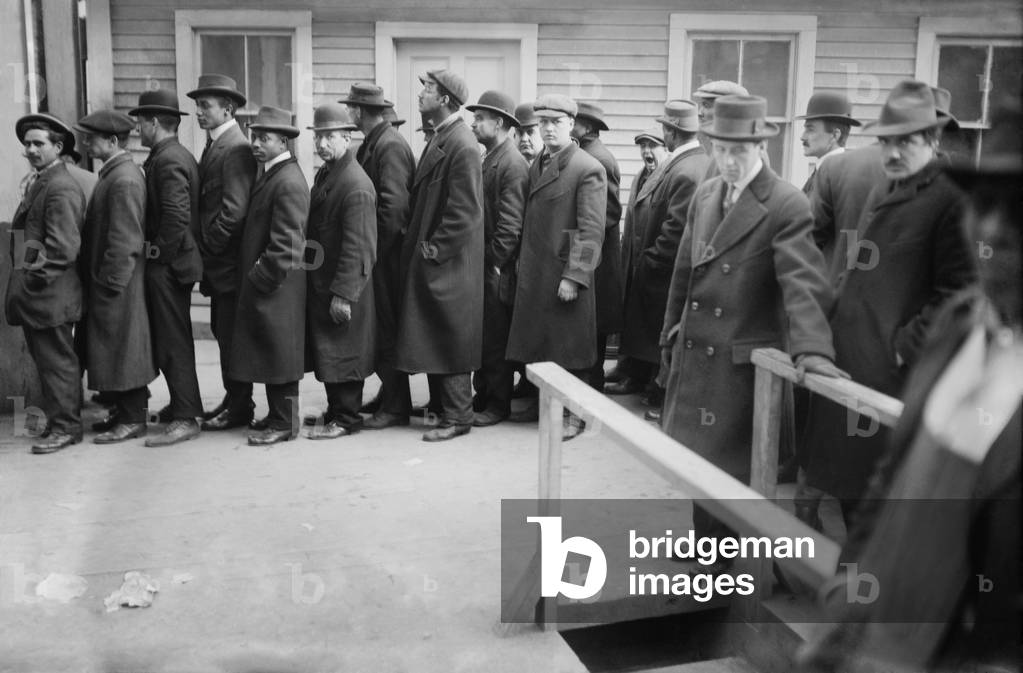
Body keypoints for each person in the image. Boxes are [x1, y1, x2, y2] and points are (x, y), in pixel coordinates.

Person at [798, 104, 1021, 673]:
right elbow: (891, 478)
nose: (995, 230)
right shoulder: (957, 326)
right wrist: (844, 608)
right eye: (986, 205)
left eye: (1019, 212)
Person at [658, 95, 843, 543]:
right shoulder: (706, 194)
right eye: (721, 149)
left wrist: (813, 351)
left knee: (733, 473)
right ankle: (706, 550)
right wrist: (669, 332)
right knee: (699, 465)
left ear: (761, 147)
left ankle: (723, 564)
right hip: (696, 349)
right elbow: (685, 272)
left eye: (739, 150)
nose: (729, 160)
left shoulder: (785, 204)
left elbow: (803, 285)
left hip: (739, 365)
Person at [800, 81, 979, 521]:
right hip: (852, 373)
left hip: (893, 386)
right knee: (847, 495)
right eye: (886, 141)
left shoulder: (952, 198)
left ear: (933, 140)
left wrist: (902, 349)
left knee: (877, 510)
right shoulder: (895, 187)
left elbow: (962, 294)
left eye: (906, 141)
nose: (893, 152)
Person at [505, 94, 606, 440]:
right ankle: (542, 402)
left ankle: (575, 415)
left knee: (570, 350)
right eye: (543, 122)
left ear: (571, 125)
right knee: (540, 344)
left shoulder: (587, 168)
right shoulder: (539, 163)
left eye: (556, 123)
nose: (548, 129)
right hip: (537, 272)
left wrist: (575, 277)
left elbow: (592, 232)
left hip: (563, 274)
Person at [395, 69, 484, 442]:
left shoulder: (461, 143)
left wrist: (433, 251)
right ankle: (441, 408)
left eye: (428, 89)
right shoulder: (442, 138)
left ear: (445, 99)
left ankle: (458, 416)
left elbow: (464, 212)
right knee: (434, 333)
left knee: (450, 336)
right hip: (437, 262)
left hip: (449, 264)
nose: (421, 95)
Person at [614, 101, 708, 423]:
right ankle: (655, 388)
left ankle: (666, 398)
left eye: (662, 131)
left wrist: (650, 262)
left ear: (670, 131)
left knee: (669, 339)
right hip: (662, 273)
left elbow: (676, 231)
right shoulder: (683, 164)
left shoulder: (687, 169)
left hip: (667, 275)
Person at [228, 106, 309, 446]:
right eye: (255, 137)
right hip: (271, 282)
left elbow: (289, 244)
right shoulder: (273, 174)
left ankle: (286, 423)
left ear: (284, 142)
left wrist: (260, 277)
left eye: (264, 138)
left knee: (282, 356)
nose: (256, 144)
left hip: (277, 284)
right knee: (272, 353)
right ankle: (278, 416)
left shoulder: (288, 180)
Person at [74, 110, 156, 444]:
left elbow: (126, 240)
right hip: (113, 281)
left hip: (117, 283)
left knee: (124, 350)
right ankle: (125, 412)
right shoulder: (116, 174)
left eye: (92, 138)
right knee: (117, 349)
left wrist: (109, 283)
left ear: (112, 141)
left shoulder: (123, 179)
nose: (86, 142)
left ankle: (134, 418)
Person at [6, 113, 86, 453]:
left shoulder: (61, 187)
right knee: (49, 363)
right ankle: (59, 421)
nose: (31, 149)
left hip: (51, 294)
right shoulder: (43, 181)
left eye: (40, 143)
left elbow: (64, 248)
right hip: (42, 294)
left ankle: (67, 427)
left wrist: (33, 280)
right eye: (28, 144)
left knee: (58, 363)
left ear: (58, 147)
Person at [129, 89, 205, 447]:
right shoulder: (168, 155)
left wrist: (155, 255)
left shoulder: (169, 159)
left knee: (174, 340)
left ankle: (186, 417)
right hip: (173, 263)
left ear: (154, 123)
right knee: (173, 338)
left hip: (170, 266)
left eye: (140, 122)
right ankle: (182, 405)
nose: (138, 128)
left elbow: (175, 217)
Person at [342, 83, 415, 428]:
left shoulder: (389, 146)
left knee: (388, 329)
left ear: (357, 111)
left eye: (350, 108)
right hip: (381, 255)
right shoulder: (376, 143)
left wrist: (371, 253)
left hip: (388, 258)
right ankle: (390, 395)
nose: (348, 113)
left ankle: (397, 406)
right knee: (382, 328)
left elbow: (394, 210)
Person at [187, 73, 258, 430]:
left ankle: (241, 407)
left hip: (229, 267)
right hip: (221, 267)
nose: (199, 112)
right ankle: (235, 400)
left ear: (227, 108)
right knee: (222, 331)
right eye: (197, 106)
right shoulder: (216, 144)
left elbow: (234, 211)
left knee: (232, 337)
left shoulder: (235, 148)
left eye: (205, 106)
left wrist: (206, 248)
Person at [303, 104, 377, 440]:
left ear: (347, 137)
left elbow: (360, 247)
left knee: (345, 353)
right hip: (324, 280)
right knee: (331, 351)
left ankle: (347, 418)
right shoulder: (328, 173)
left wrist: (345, 295)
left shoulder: (355, 183)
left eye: (329, 137)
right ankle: (336, 411)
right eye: (318, 137)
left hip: (345, 287)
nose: (321, 144)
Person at [465, 90, 528, 427]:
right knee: (484, 334)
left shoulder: (512, 164)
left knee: (495, 339)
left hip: (498, 270)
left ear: (499, 122)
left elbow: (510, 226)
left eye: (480, 118)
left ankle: (498, 403)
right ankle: (484, 393)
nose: (473, 124)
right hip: (487, 266)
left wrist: (491, 262)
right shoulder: (491, 157)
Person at [605, 127, 666, 387]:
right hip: (633, 259)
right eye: (642, 146)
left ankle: (649, 379)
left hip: (655, 263)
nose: (646, 152)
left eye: (652, 146)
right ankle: (630, 369)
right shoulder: (641, 176)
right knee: (633, 320)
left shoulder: (667, 177)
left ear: (666, 149)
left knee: (652, 326)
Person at [572, 102, 623, 393]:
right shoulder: (589, 154)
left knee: (593, 331)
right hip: (593, 257)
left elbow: (608, 213)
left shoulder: (597, 159)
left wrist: (580, 241)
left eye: (574, 122)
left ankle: (592, 394)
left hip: (597, 260)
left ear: (588, 127)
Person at [796, 91, 860, 197]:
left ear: (835, 135)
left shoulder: (840, 178)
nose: (802, 137)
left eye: (810, 130)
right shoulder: (822, 170)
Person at [690, 80, 749, 182]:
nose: (700, 112)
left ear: (728, 110)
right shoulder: (716, 144)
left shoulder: (746, 150)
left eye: (706, 105)